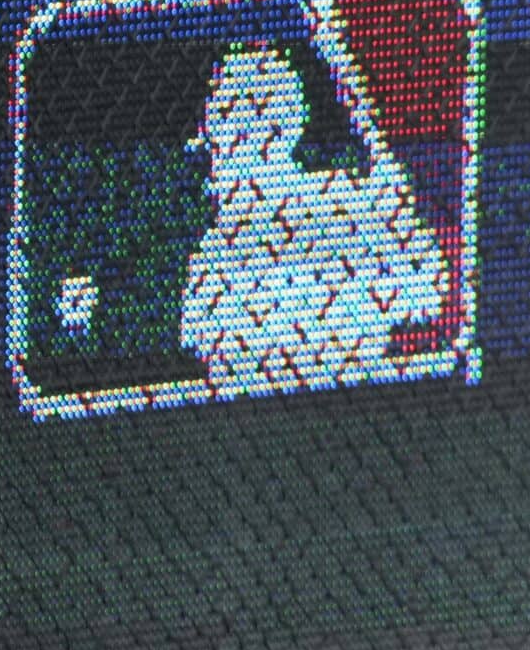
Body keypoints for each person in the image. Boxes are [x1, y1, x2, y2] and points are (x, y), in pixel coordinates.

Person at [182, 44, 443, 396]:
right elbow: (204, 353)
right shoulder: (215, 250)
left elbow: (430, 297)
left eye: (222, 131)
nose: (212, 160)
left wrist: (400, 219)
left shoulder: (352, 200)